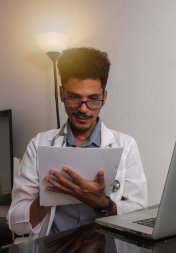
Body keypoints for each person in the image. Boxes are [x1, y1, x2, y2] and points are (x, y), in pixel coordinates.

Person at [7, 47, 148, 239]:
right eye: (74, 97)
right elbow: (16, 223)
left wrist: (102, 203)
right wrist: (48, 196)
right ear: (61, 93)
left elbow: (138, 216)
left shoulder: (127, 145)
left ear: (104, 97)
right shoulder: (38, 144)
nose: (84, 109)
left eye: (93, 99)